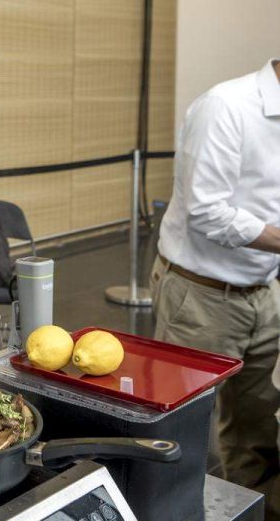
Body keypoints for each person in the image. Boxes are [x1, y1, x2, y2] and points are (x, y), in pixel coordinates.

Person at [150, 58, 280, 518]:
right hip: (199, 295)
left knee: (256, 424)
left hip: (264, 289)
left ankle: (251, 509)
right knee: (182, 431)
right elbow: (208, 211)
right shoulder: (225, 107)